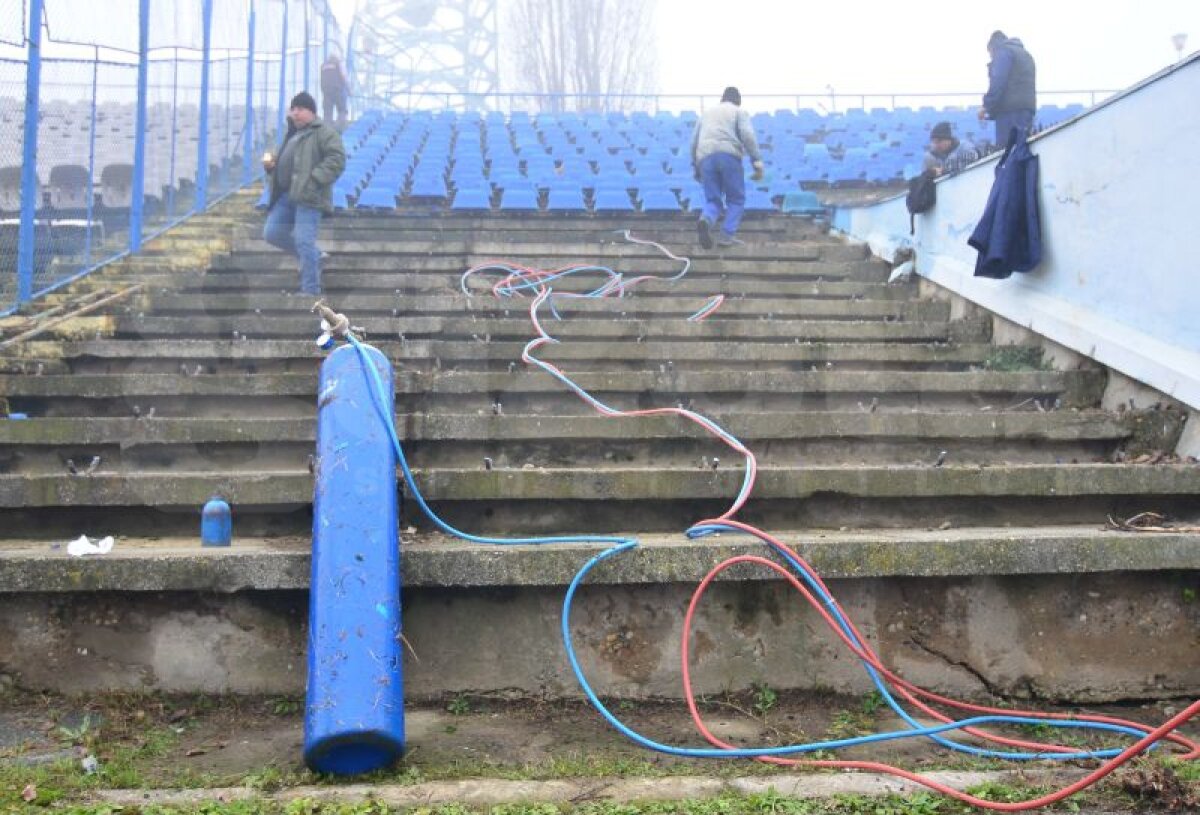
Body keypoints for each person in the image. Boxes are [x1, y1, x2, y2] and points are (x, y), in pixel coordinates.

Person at [262, 92, 346, 296]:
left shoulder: (324, 132)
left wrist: (314, 180)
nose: (295, 113)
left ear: (311, 112)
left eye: (300, 109)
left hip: (309, 198)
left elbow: (337, 159)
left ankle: (310, 291)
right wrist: (271, 167)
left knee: (303, 241)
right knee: (271, 233)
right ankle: (315, 256)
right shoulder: (291, 134)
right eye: (293, 109)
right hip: (285, 196)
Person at [690, 86, 764, 249]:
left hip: (705, 158)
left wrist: (695, 166)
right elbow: (748, 135)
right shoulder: (738, 112)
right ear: (737, 100)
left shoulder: (706, 114)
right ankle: (726, 235)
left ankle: (706, 219)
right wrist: (756, 160)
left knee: (713, 200)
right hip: (728, 156)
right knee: (736, 199)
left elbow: (693, 141)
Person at [978, 30, 1037, 150]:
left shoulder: (1003, 52)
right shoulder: (1025, 54)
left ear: (992, 47)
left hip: (1009, 112)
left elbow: (998, 81)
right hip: (1026, 109)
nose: (991, 57)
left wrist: (986, 105)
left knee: (1007, 152)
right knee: (1022, 149)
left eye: (990, 54)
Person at [320, 54, 350, 130]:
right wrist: (349, 89)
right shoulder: (338, 63)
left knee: (327, 113)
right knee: (342, 110)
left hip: (326, 92)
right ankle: (339, 127)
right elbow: (344, 76)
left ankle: (327, 130)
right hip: (337, 90)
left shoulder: (323, 66)